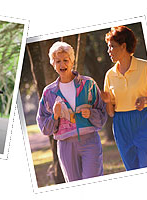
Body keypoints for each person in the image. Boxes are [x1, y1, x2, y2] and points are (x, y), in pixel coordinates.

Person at [36, 41, 107, 182]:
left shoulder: (88, 84)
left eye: (65, 60)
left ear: (72, 61)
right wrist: (54, 116)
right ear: (52, 63)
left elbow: (102, 114)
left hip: (90, 142)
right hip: (65, 145)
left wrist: (90, 113)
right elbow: (44, 127)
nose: (62, 65)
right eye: (58, 61)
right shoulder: (49, 92)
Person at [101, 25, 147, 170]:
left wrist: (146, 100)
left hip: (143, 120)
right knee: (132, 170)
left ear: (124, 46)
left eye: (112, 47)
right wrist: (107, 101)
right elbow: (111, 112)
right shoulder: (110, 75)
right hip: (121, 124)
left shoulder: (145, 67)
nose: (109, 51)